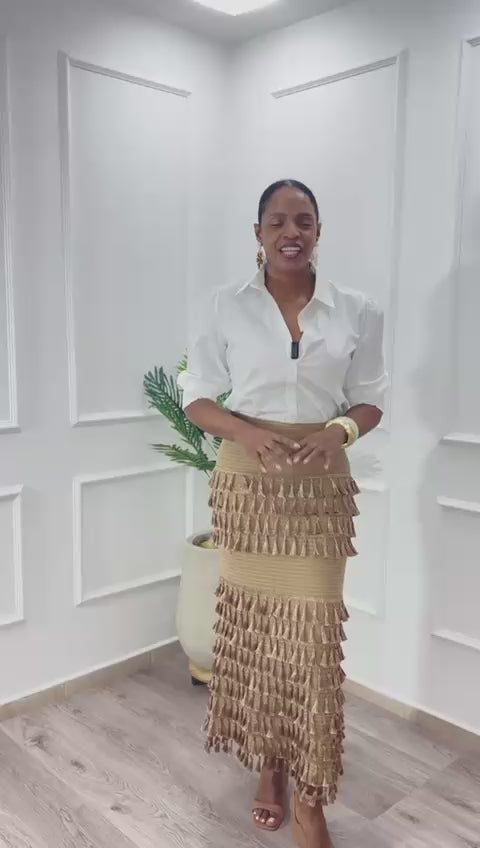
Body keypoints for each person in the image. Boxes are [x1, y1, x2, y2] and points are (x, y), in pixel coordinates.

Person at [178, 179, 388, 848]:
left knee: (314, 646)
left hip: (320, 491)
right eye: (277, 221)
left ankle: (312, 793)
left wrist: (339, 432)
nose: (290, 232)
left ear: (319, 231)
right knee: (260, 636)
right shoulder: (225, 306)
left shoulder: (357, 310)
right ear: (258, 232)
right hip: (249, 486)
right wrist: (245, 433)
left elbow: (370, 399)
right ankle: (270, 766)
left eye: (303, 220)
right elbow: (196, 395)